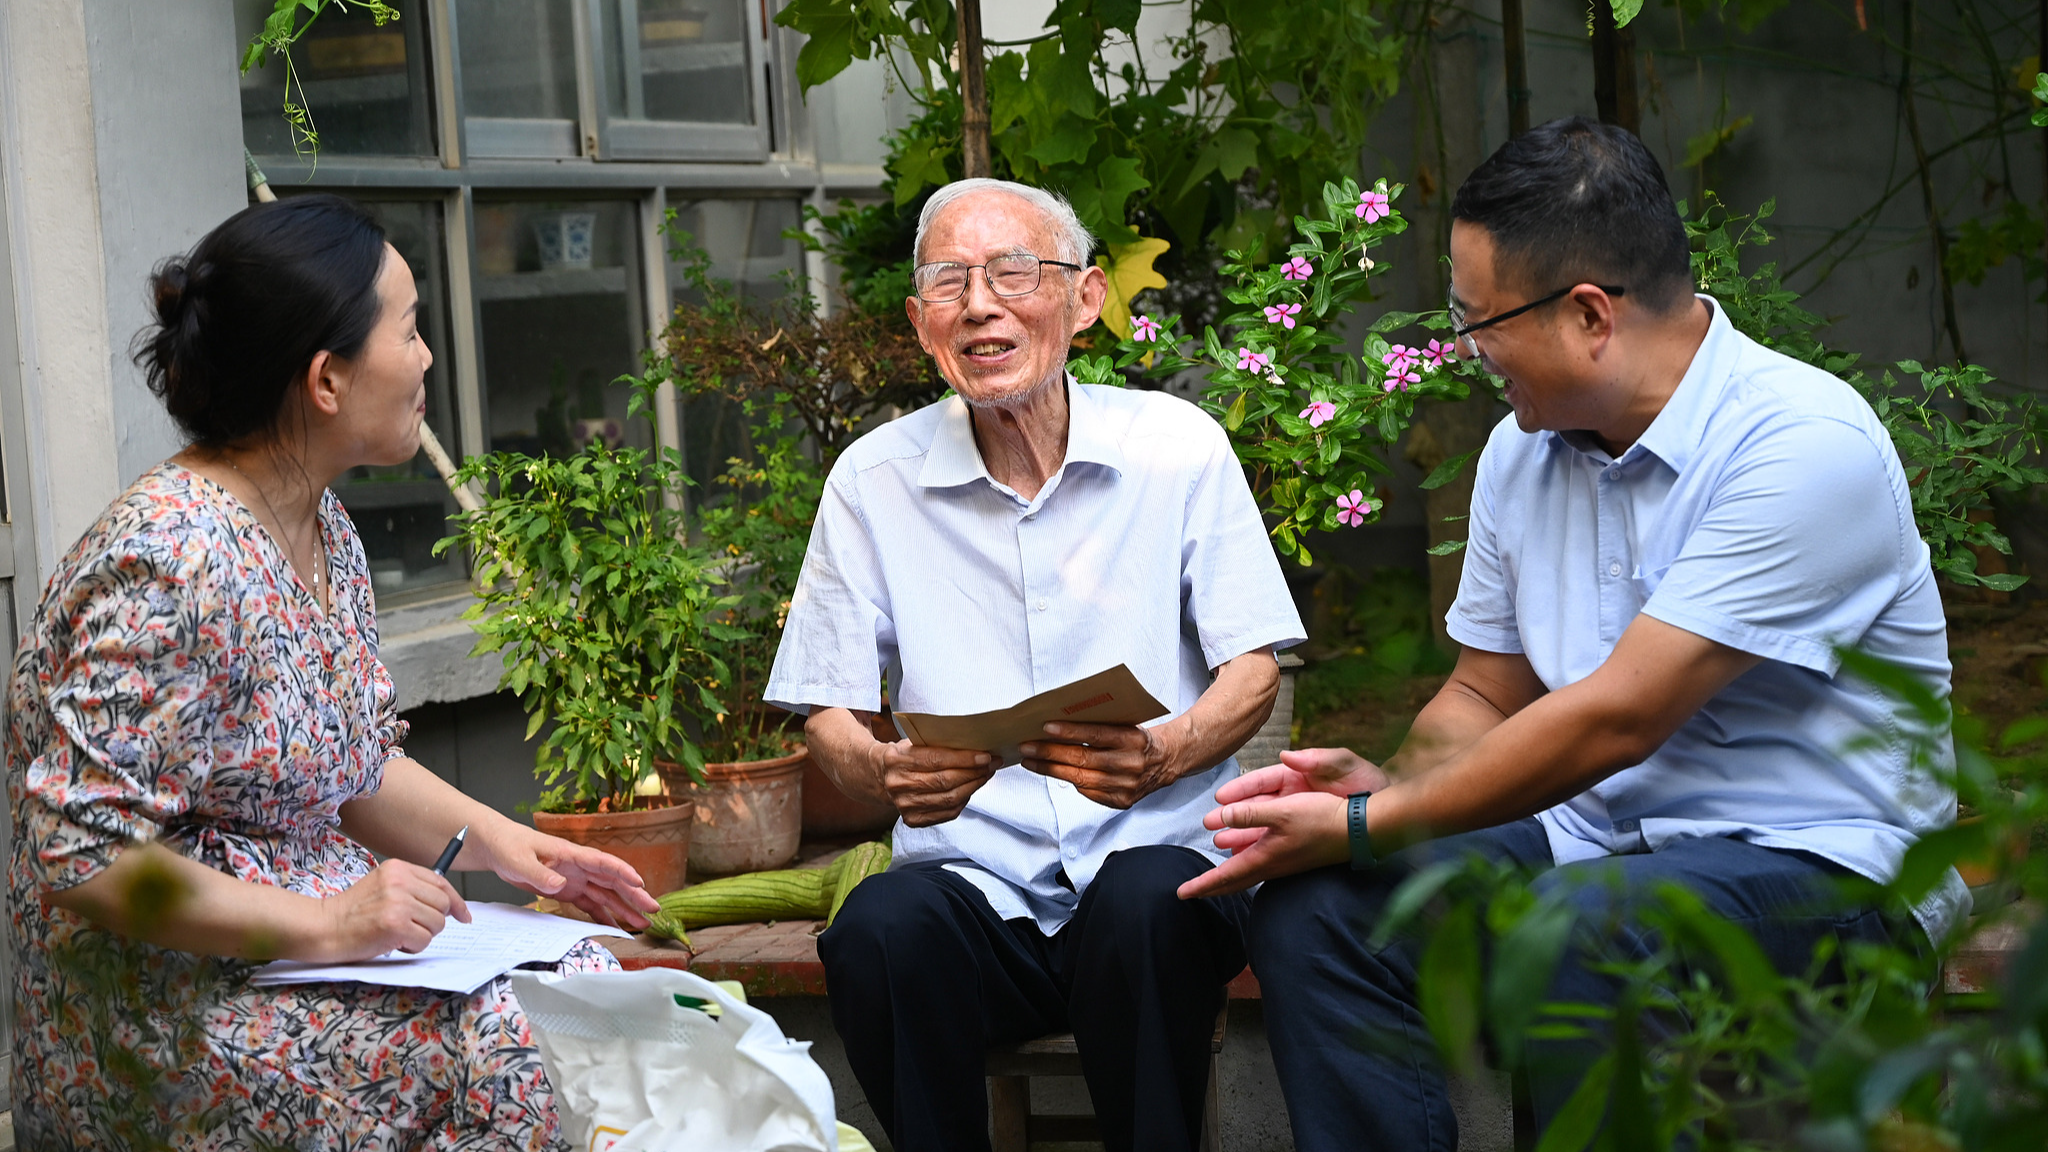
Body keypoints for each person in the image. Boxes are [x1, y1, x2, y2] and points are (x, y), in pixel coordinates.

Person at [1177, 117, 1964, 1150]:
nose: (1462, 354)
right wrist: (1388, 793)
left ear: (1588, 314)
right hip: (1592, 848)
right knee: (1321, 917)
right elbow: (1484, 693)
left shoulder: (1800, 446)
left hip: (1826, 869)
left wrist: (1380, 824)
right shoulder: (1521, 453)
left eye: (1474, 321)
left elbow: (1616, 718)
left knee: (1581, 929)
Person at [6, 194, 662, 1150]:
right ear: (326, 379)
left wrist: (518, 851)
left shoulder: (326, 529)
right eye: (409, 328)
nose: (429, 356)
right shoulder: (172, 557)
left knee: (583, 999)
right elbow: (82, 856)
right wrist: (329, 924)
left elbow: (345, 764)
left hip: (308, 956)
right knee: (521, 1054)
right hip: (163, 1009)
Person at [765, 177, 1305, 1152]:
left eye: (1013, 272)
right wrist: (879, 770)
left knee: (1145, 903)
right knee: (880, 931)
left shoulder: (1176, 448)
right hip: (975, 887)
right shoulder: (871, 481)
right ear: (919, 320)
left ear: (1085, 298)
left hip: (1153, 880)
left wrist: (1168, 752)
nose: (979, 304)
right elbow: (828, 714)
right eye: (948, 282)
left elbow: (1251, 669)